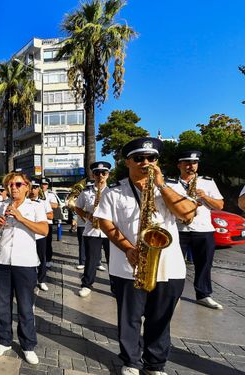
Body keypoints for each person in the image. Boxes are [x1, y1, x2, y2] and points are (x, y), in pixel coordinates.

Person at [94, 137, 196, 375]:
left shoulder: (173, 188)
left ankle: (155, 363)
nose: (146, 162)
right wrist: (127, 248)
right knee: (129, 318)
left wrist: (161, 186)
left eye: (152, 158)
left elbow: (188, 215)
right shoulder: (114, 191)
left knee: (160, 318)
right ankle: (131, 361)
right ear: (128, 161)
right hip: (128, 266)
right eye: (139, 158)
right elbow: (105, 222)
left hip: (169, 266)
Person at [0, 172, 48, 364]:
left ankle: (28, 345)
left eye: (18, 184)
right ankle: (4, 340)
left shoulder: (35, 207)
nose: (13, 188)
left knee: (25, 307)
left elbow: (44, 230)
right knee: (2, 305)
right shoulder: (0, 206)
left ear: (27, 187)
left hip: (25, 263)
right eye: (10, 185)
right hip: (2, 262)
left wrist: (21, 218)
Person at [166, 150, 224, 309]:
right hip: (178, 229)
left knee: (204, 264)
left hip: (203, 229)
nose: (191, 166)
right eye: (187, 163)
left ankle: (203, 295)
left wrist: (204, 197)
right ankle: (173, 295)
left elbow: (220, 206)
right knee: (174, 264)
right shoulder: (170, 183)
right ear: (179, 165)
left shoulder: (207, 182)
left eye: (194, 163)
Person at [74, 162, 111, 297]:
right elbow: (77, 207)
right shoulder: (86, 192)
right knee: (91, 259)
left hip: (110, 231)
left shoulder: (113, 191)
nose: (100, 176)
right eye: (97, 173)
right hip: (92, 230)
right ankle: (87, 284)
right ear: (93, 175)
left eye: (103, 173)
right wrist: (86, 215)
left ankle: (115, 286)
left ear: (108, 175)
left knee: (112, 259)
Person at [30, 179, 53, 291]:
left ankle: (42, 280)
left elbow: (51, 215)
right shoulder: (24, 201)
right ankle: (31, 279)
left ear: (38, 189)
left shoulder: (43, 202)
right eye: (31, 187)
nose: (33, 190)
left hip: (39, 235)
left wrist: (39, 213)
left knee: (41, 257)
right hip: (28, 235)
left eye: (35, 187)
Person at [75, 180, 93, 270]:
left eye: (91, 187)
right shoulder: (83, 194)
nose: (90, 189)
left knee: (95, 243)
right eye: (88, 187)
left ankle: (98, 262)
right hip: (82, 223)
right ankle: (82, 261)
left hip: (94, 224)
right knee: (82, 243)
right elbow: (77, 208)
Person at [41, 178, 59, 268]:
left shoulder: (50, 194)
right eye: (42, 184)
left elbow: (56, 205)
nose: (43, 186)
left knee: (48, 242)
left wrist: (45, 203)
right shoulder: (35, 193)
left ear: (47, 185)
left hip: (48, 220)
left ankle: (48, 259)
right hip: (38, 221)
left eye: (45, 184)